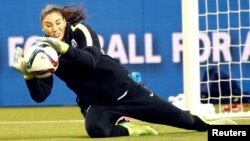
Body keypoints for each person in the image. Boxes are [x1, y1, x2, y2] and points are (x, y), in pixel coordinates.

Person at [13, 4, 237, 138]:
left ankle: (218, 129)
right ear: (42, 27)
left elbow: (92, 60)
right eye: (49, 25)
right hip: (96, 103)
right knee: (96, 130)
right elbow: (41, 96)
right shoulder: (43, 53)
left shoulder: (80, 31)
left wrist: (64, 49)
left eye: (58, 22)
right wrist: (29, 75)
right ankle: (131, 129)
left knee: (183, 120)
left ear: (65, 21)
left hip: (125, 90)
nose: (55, 28)